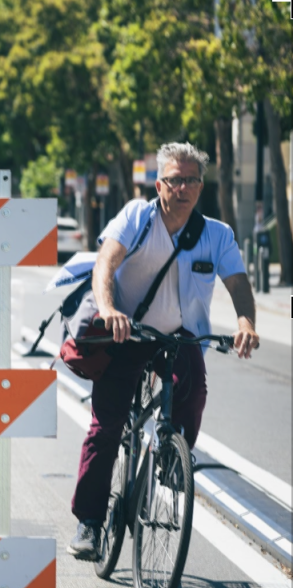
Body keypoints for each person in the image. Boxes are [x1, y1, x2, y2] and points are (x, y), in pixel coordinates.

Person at [67, 142, 259, 560]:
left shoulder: (217, 234)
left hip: (178, 336)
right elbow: (106, 264)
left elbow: (239, 284)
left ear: (200, 186)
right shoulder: (138, 216)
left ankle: (170, 460)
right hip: (128, 333)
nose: (183, 187)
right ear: (159, 184)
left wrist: (245, 322)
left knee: (193, 395)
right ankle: (90, 522)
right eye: (175, 179)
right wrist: (109, 309)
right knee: (109, 424)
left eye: (191, 180)